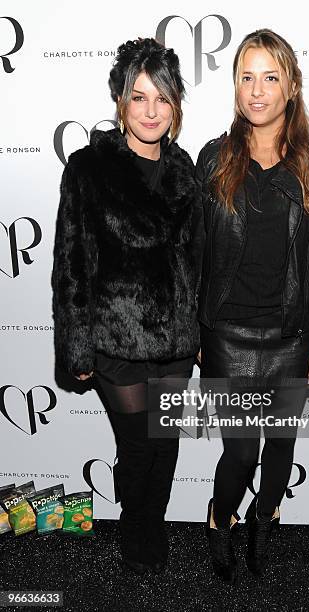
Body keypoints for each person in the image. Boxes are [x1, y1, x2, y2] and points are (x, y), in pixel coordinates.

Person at [196, 28, 309, 583]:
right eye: (246, 77)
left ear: (291, 88)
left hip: (292, 337)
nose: (257, 91)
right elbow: (193, 252)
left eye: (270, 77)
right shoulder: (213, 159)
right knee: (240, 454)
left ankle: (265, 517)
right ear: (235, 87)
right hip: (227, 336)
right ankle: (218, 518)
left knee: (279, 450)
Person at [51, 38, 201, 575]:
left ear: (177, 103)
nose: (152, 109)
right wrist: (76, 344)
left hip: (177, 343)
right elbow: (70, 264)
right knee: (138, 446)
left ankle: (150, 523)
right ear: (121, 101)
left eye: (163, 97)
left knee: (166, 446)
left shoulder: (187, 171)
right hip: (118, 338)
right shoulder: (90, 168)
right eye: (139, 97)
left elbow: (197, 260)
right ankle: (137, 533)